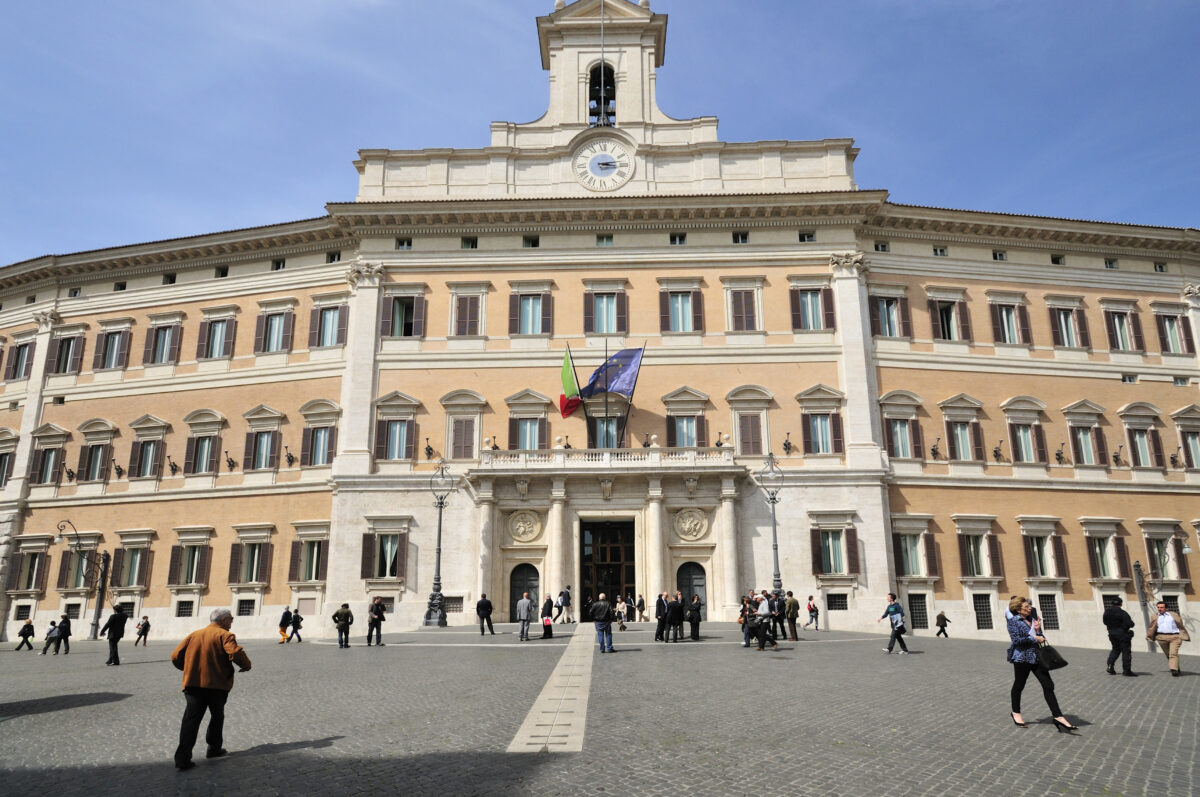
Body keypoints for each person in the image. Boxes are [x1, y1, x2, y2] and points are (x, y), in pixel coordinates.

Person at [171, 607, 252, 771]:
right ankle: (214, 748)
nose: (232, 622)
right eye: (231, 619)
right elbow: (234, 652)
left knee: (190, 720)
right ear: (223, 620)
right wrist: (246, 665)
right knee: (217, 716)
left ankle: (182, 759)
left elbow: (175, 656)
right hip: (217, 685)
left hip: (193, 684)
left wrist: (188, 669)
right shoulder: (225, 635)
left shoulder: (194, 634)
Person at [1006, 596, 1077, 732]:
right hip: (1022, 658)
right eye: (1026, 607)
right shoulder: (1013, 622)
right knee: (1019, 685)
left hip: (1037, 657)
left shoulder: (1031, 619)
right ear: (1018, 609)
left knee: (1048, 685)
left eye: (1029, 606)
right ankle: (1016, 712)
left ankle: (1058, 716)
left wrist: (1038, 630)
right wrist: (1035, 638)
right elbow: (1016, 640)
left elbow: (1040, 637)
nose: (1030, 608)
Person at [1147, 600, 1190, 677]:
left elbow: (1180, 624)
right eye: (1158, 607)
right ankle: (1176, 667)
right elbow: (1152, 627)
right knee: (1168, 655)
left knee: (1173, 653)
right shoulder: (1155, 616)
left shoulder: (1174, 615)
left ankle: (1174, 670)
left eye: (1161, 607)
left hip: (1175, 637)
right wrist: (1150, 635)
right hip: (1161, 637)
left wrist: (1182, 634)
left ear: (1166, 608)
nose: (1159, 609)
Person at [1102, 597, 1136, 676]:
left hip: (1112, 634)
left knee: (1115, 650)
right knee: (1126, 652)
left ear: (1112, 603)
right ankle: (1126, 670)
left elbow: (1105, 622)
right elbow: (1131, 624)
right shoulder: (1122, 613)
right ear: (1121, 604)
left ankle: (1110, 666)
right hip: (1123, 635)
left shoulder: (1106, 612)